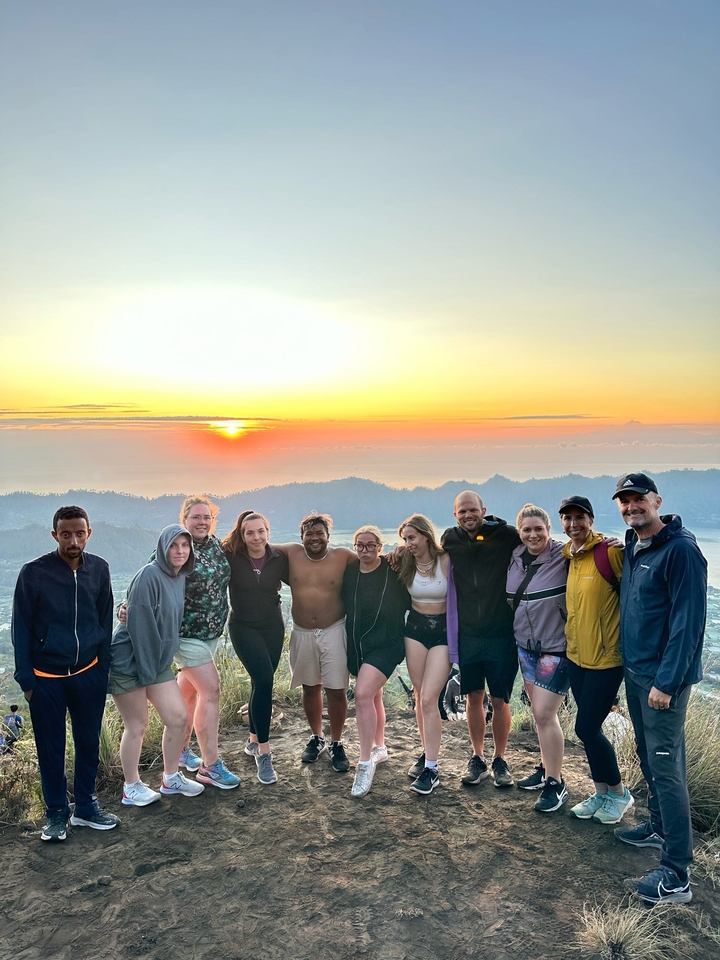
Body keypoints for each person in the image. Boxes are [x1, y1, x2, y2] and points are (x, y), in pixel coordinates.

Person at [611, 473, 706, 905]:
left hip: (662, 682)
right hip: (636, 673)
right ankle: (658, 828)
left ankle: (677, 873)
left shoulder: (682, 550)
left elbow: (689, 625)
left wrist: (666, 683)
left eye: (639, 500)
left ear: (657, 501)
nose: (632, 507)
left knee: (667, 768)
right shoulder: (635, 545)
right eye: (625, 502)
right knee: (647, 756)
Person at [11, 505, 120, 841]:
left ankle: (86, 807)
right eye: (66, 534)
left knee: (88, 743)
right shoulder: (34, 573)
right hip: (46, 680)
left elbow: (105, 620)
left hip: (88, 673)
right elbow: (21, 628)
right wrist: (27, 681)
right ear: (54, 534)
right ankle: (57, 815)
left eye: (80, 533)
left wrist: (102, 668)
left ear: (89, 533)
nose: (73, 540)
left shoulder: (99, 569)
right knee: (51, 749)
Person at [119, 496, 239, 790]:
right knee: (211, 689)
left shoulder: (214, 547)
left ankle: (182, 751)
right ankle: (211, 766)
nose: (201, 522)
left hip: (210, 634)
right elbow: (146, 581)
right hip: (185, 635)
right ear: (184, 519)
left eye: (206, 517)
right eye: (196, 517)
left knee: (189, 693)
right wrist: (124, 607)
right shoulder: (176, 547)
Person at [110, 524, 205, 805]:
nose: (179, 551)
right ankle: (131, 786)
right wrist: (149, 672)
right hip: (129, 659)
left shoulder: (179, 577)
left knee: (177, 718)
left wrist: (159, 664)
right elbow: (141, 629)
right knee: (137, 725)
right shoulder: (149, 575)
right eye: (173, 546)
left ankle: (171, 778)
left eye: (184, 546)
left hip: (155, 660)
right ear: (162, 549)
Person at [559, 496, 634, 824]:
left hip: (607, 659)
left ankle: (619, 794)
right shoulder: (571, 556)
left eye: (580, 517)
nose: (573, 524)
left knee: (585, 726)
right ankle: (601, 792)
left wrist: (629, 541)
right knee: (590, 730)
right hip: (577, 657)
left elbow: (638, 583)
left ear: (591, 519)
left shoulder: (610, 552)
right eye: (567, 518)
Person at [443, 491, 520, 789]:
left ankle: (500, 759)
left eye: (472, 510)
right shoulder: (450, 539)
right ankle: (477, 758)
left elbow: (537, 543)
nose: (467, 515)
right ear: (455, 515)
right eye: (462, 511)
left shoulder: (506, 535)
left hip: (501, 635)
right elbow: (423, 551)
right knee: (473, 697)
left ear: (484, 510)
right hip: (469, 635)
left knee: (499, 700)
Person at [280, 514, 357, 772]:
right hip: (301, 631)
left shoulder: (343, 556)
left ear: (328, 535)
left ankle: (336, 742)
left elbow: (373, 563)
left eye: (319, 533)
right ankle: (316, 736)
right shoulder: (291, 553)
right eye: (309, 534)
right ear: (301, 537)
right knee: (309, 687)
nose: (314, 538)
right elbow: (257, 546)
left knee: (336, 689)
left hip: (334, 629)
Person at [506, 504, 570, 813]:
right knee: (539, 713)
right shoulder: (514, 559)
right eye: (527, 530)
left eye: (539, 529)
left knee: (544, 714)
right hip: (525, 648)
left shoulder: (564, 555)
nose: (533, 535)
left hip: (556, 648)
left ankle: (556, 784)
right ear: (519, 532)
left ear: (549, 530)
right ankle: (546, 769)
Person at [341, 525, 410, 797]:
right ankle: (380, 747)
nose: (365, 550)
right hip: (358, 645)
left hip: (387, 644)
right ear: (354, 546)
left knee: (362, 695)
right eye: (360, 545)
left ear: (381, 547)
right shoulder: (349, 573)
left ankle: (364, 761)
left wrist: (402, 551)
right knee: (374, 696)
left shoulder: (393, 571)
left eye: (371, 545)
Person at [223, 510, 289, 785]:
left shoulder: (278, 558)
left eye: (260, 531)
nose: (256, 537)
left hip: (273, 626)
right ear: (242, 534)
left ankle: (251, 740)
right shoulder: (230, 556)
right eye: (249, 532)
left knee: (261, 683)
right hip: (243, 627)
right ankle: (264, 752)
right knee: (263, 679)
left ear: (267, 532)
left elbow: (307, 575)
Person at [398, 514, 451, 795]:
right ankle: (426, 752)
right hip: (415, 630)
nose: (409, 543)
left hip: (444, 632)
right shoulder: (405, 562)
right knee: (420, 696)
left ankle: (432, 768)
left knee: (431, 697)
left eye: (412, 537)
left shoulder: (446, 561)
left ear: (426, 535)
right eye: (405, 539)